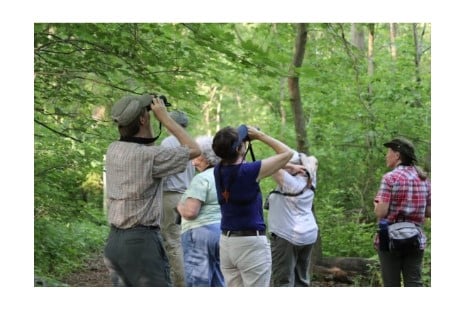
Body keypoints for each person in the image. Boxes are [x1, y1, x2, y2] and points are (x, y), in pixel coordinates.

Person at [103, 94, 200, 287]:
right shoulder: (151, 156)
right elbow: (194, 149)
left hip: (114, 242)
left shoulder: (114, 149)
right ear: (142, 119)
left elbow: (141, 146)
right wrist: (165, 118)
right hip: (141, 244)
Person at [212, 125, 293, 287]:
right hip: (250, 244)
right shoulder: (248, 171)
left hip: (227, 242)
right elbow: (287, 153)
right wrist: (261, 136)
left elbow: (236, 162)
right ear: (239, 148)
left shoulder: (218, 170)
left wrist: (240, 145)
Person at [373, 137, 431, 287]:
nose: (386, 156)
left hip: (389, 239)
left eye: (389, 152)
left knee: (391, 284)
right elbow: (430, 212)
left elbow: (381, 212)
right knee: (414, 283)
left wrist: (376, 204)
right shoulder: (423, 179)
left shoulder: (390, 178)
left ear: (397, 155)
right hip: (415, 239)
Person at [176, 135, 225, 287]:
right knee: (219, 281)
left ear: (207, 157)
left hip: (199, 236)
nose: (193, 162)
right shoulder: (226, 176)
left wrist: (179, 207)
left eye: (196, 157)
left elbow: (190, 212)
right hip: (222, 234)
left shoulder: (201, 178)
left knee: (198, 283)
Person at [266, 151, 319, 286]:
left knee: (283, 280)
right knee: (301, 279)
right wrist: (296, 165)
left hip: (287, 236)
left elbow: (270, 164)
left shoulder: (291, 184)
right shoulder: (310, 179)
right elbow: (312, 159)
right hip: (308, 234)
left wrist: (289, 165)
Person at [160, 110, 195, 287]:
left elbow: (161, 171)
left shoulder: (167, 143)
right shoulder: (188, 142)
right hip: (188, 197)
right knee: (186, 242)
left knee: (173, 243)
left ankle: (182, 285)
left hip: (172, 196)